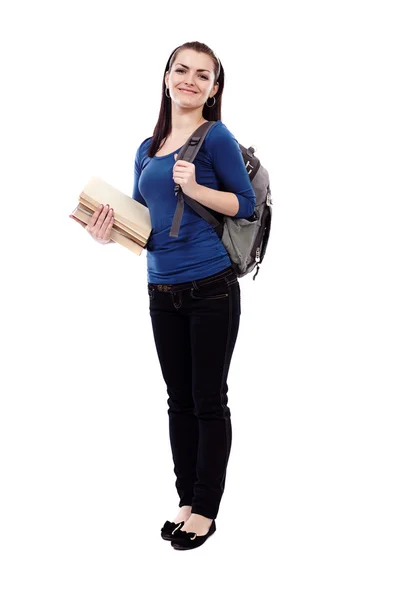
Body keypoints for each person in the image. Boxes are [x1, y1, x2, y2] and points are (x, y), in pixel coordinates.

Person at [78, 41, 256, 550]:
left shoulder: (216, 137)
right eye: (182, 70)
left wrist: (197, 188)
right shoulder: (146, 148)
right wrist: (106, 231)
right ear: (166, 76)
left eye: (203, 75)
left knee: (208, 399)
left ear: (214, 88)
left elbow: (243, 205)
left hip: (211, 289)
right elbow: (145, 222)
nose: (190, 80)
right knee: (178, 399)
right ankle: (184, 500)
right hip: (161, 289)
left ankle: (206, 509)